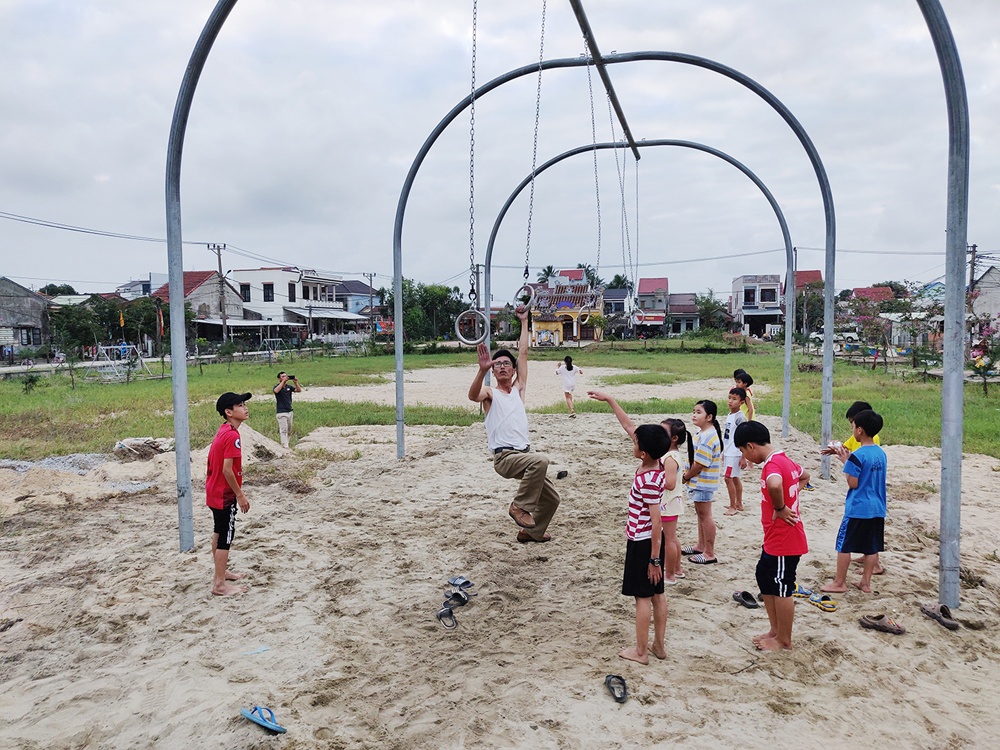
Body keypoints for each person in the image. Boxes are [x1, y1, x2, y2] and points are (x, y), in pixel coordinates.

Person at [588, 390, 670, 665]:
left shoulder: (647, 479)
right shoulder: (656, 462)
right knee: (658, 595)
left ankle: (641, 652)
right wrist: (610, 400)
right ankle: (659, 646)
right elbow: (629, 426)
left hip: (644, 542)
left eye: (635, 442)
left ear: (642, 452)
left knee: (642, 598)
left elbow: (657, 522)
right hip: (650, 541)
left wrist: (654, 559)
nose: (631, 439)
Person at [468, 306, 560, 542]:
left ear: (513, 369)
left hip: (524, 456)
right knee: (541, 460)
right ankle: (519, 507)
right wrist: (481, 371)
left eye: (506, 363)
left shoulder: (519, 389)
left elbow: (524, 352)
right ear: (493, 370)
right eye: (496, 364)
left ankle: (530, 533)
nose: (501, 366)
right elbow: (473, 395)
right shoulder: (490, 393)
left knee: (552, 499)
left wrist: (524, 321)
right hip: (505, 458)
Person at [734, 420, 809, 651]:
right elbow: (804, 476)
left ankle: (784, 640)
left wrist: (780, 507)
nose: (745, 457)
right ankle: (775, 630)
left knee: (781, 585)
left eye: (743, 452)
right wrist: (792, 500)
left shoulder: (772, 465)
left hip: (785, 539)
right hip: (775, 537)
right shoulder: (785, 459)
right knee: (764, 576)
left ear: (750, 446)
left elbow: (775, 485)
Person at [820, 409, 887, 594]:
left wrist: (845, 462)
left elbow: (853, 482)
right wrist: (848, 459)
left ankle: (839, 582)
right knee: (871, 546)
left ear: (859, 430)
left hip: (858, 508)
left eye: (853, 427)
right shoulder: (880, 453)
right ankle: (865, 583)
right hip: (877, 508)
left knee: (844, 545)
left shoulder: (858, 455)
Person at [206, 392, 253, 596]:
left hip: (213, 490)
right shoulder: (232, 435)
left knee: (219, 531)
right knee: (225, 535)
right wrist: (240, 495)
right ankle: (219, 585)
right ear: (228, 412)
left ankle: (222, 573)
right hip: (224, 493)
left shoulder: (225, 430)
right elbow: (227, 470)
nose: (245, 408)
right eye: (240, 405)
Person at [681, 399, 723, 564]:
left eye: (699, 412)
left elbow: (699, 464)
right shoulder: (705, 433)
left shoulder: (707, 436)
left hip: (703, 482)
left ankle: (709, 553)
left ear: (709, 417)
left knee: (705, 516)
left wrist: (685, 477)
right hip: (701, 482)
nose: (694, 415)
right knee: (701, 515)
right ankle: (700, 545)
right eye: (694, 411)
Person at [660, 418, 690, 584]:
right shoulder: (672, 454)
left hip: (668, 502)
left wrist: (654, 481)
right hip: (672, 502)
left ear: (674, 438)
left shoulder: (670, 458)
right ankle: (677, 570)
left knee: (669, 540)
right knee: (672, 537)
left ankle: (670, 575)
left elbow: (670, 484)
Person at [722, 387, 749, 516]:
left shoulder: (740, 418)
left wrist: (744, 456)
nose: (730, 401)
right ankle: (738, 503)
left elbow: (744, 437)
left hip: (734, 453)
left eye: (734, 399)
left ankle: (733, 506)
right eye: (729, 398)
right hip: (728, 451)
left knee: (728, 478)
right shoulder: (730, 415)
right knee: (735, 478)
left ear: (741, 402)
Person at [273, 371, 302, 449]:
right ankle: (285, 445)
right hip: (281, 412)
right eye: (282, 376)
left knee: (289, 430)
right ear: (279, 378)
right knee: (283, 430)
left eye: (286, 376)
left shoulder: (288, 387)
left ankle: (287, 444)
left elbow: (298, 390)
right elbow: (276, 391)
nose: (285, 377)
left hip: (289, 411)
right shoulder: (277, 387)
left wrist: (296, 383)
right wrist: (282, 382)